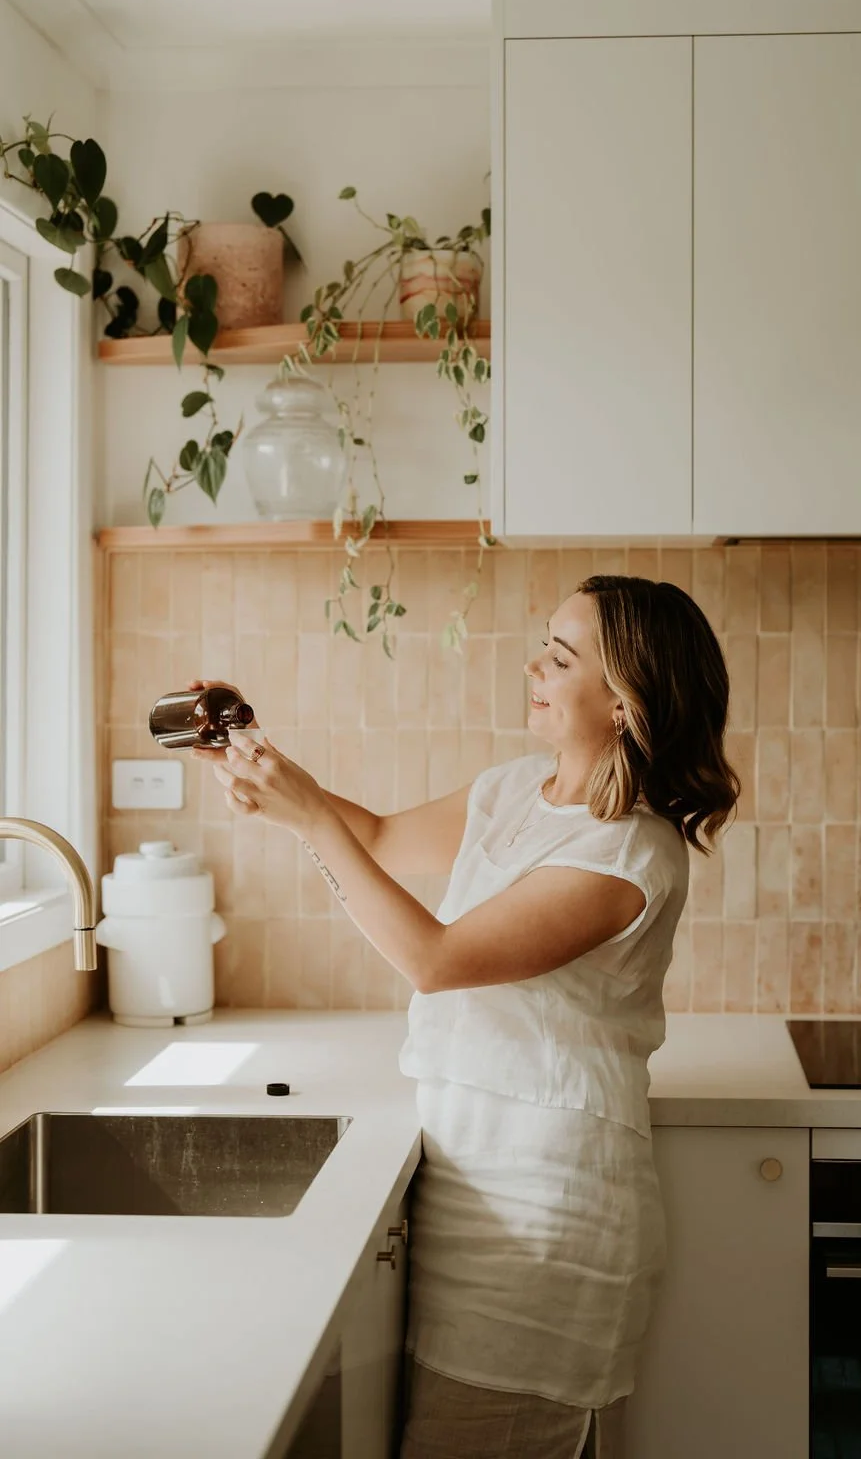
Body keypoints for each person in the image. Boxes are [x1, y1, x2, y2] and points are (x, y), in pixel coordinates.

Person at [191, 573, 739, 1459]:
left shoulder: (631, 851)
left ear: (624, 702)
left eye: (561, 657)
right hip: (473, 1185)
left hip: (548, 1218)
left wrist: (309, 822)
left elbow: (436, 960)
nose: (534, 666)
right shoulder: (518, 790)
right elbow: (375, 839)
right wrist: (262, 768)